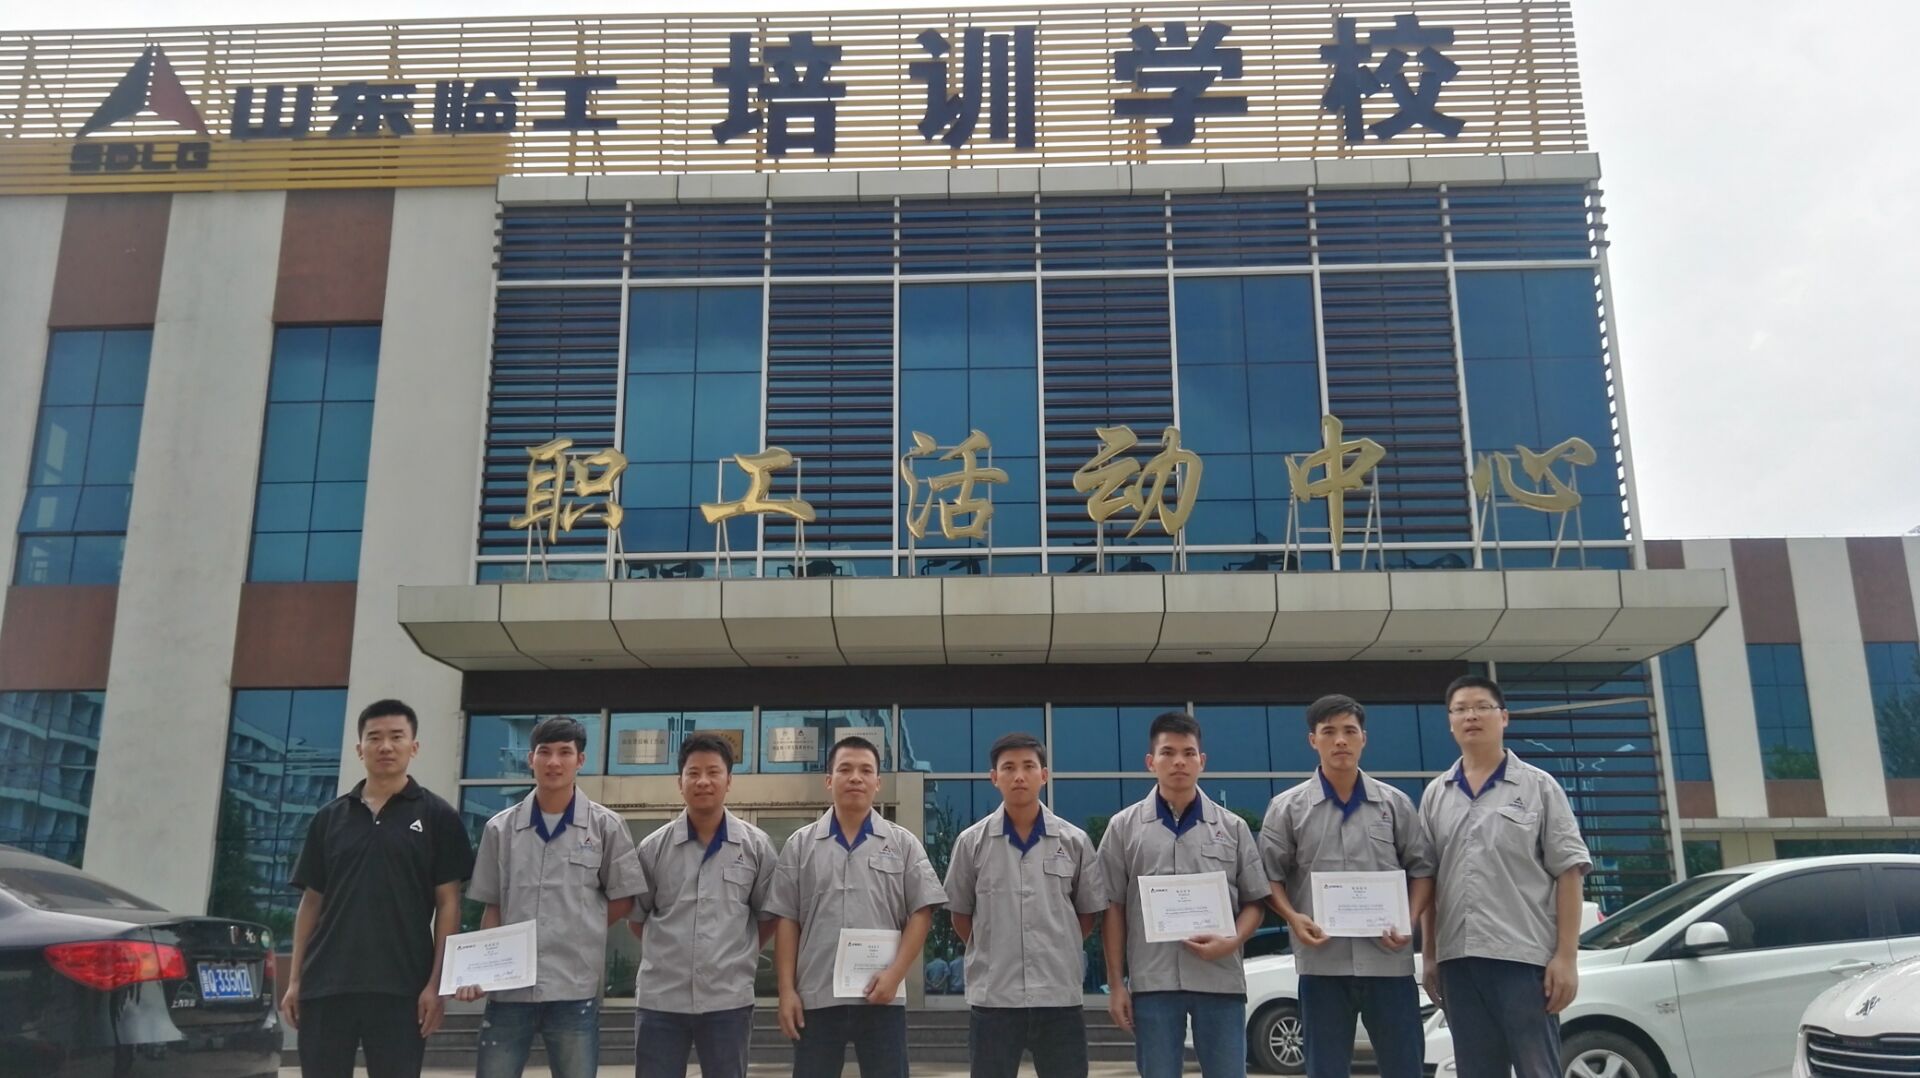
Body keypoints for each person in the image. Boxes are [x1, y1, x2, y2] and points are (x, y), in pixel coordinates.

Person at [281, 698, 473, 1078]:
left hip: (402, 989)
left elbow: (449, 904)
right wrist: (296, 981)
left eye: (397, 737)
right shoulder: (329, 818)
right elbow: (311, 902)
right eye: (374, 738)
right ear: (359, 749)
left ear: (414, 746)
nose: (385, 746)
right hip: (326, 985)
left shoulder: (438, 817)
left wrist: (436, 984)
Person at [1419, 675, 1592, 1078]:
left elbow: (1569, 872)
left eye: (1482, 707)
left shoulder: (1539, 787)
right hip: (1459, 963)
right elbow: (1429, 880)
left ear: (1504, 717)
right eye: (1461, 709)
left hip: (1524, 962)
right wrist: (1429, 956)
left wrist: (1566, 958)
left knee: (1537, 1069)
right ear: (1450, 722)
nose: (1471, 716)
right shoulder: (1436, 795)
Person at [461, 716, 646, 1078]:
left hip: (573, 989)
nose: (554, 762)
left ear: (580, 760)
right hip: (509, 992)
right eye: (544, 752)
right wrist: (482, 969)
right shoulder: (501, 829)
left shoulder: (605, 827)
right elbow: (493, 906)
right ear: (531, 759)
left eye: (565, 752)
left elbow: (624, 899)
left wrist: (582, 927)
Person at [1260, 695, 1435, 1078]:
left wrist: (1409, 919)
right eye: (1329, 732)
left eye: (1349, 731)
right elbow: (1268, 877)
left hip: (1389, 964)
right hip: (1322, 966)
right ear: (1313, 740)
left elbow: (1423, 870)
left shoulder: (1395, 804)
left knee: (1405, 1067)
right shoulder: (1287, 808)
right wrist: (1293, 918)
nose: (1340, 740)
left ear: (1363, 739)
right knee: (1325, 1070)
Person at [1098, 711, 1269, 1078]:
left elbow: (1255, 902)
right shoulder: (1123, 828)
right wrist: (1116, 984)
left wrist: (1232, 941)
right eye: (1168, 752)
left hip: (1220, 980)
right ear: (1150, 762)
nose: (1179, 761)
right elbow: (1112, 908)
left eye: (1188, 753)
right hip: (1153, 983)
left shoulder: (1233, 828)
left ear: (1201, 761)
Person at [766, 735, 946, 1078]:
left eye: (865, 770)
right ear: (829, 780)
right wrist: (786, 991)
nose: (855, 778)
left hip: (881, 997)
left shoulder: (903, 843)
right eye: (845, 769)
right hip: (816, 998)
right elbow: (786, 920)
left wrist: (895, 975)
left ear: (878, 782)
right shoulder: (800, 845)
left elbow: (922, 912)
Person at [942, 732, 1108, 1078]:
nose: (1019, 776)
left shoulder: (1074, 841)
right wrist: (993, 947)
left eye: (1029, 766)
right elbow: (960, 914)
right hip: (994, 998)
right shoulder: (971, 843)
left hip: (1059, 998)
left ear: (1044, 775)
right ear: (994, 777)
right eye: (1009, 768)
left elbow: (1087, 913)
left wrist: (1057, 945)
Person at [627, 733, 778, 1078]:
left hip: (728, 1001)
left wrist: (734, 955)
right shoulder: (653, 848)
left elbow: (768, 917)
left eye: (713, 772)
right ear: (679, 782)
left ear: (729, 781)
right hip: (661, 1001)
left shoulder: (756, 847)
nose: (703, 781)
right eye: (693, 773)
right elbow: (637, 918)